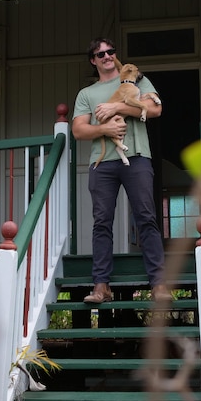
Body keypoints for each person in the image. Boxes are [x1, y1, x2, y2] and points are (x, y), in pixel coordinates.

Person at [72, 38, 171, 304]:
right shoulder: (87, 94)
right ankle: (101, 286)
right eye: (99, 53)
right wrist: (104, 129)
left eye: (110, 51)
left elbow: (155, 109)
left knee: (147, 217)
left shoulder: (137, 81)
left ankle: (159, 285)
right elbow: (79, 129)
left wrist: (117, 107)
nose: (106, 56)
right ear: (93, 60)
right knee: (101, 222)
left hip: (137, 157)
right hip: (102, 162)